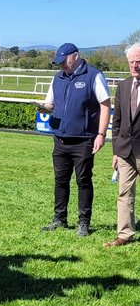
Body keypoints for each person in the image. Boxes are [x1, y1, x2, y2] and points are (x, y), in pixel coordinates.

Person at [39, 42, 111, 236]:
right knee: (60, 180)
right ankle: (59, 219)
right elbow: (50, 103)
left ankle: (83, 222)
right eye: (58, 62)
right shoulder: (58, 77)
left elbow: (106, 105)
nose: (61, 65)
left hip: (84, 140)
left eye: (64, 61)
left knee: (83, 181)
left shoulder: (93, 75)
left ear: (76, 56)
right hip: (60, 139)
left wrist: (101, 134)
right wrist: (43, 107)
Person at [103, 43, 140, 247]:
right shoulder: (123, 86)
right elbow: (116, 122)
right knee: (124, 194)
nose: (135, 65)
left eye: (139, 62)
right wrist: (116, 151)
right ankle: (124, 234)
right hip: (125, 151)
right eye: (131, 62)